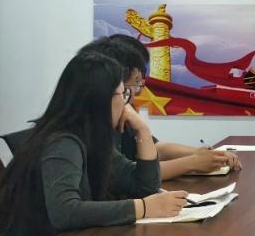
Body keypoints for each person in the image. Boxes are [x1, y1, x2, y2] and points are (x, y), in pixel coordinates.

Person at [0, 52, 187, 236]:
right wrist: (142, 208)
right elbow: (64, 211)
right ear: (100, 100)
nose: (127, 103)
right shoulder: (63, 141)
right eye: (123, 94)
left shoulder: (93, 138)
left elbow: (145, 186)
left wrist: (142, 130)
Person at [79, 35, 241, 178]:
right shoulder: (92, 121)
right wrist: (193, 162)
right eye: (136, 82)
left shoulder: (124, 110)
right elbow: (131, 175)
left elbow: (155, 149)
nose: (138, 90)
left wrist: (199, 154)